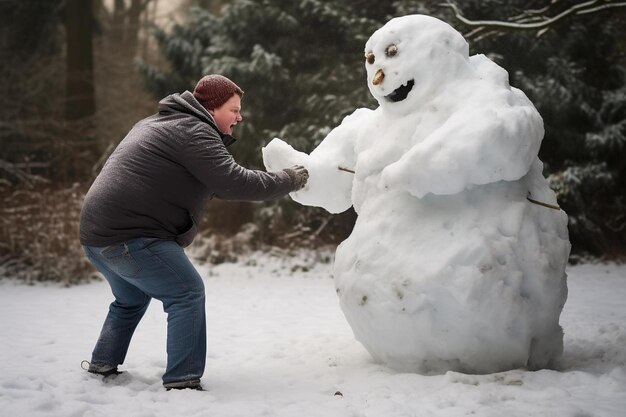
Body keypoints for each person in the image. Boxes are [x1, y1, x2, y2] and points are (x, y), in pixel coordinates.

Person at [79, 74, 309, 391]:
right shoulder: (194, 131)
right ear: (211, 108)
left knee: (130, 299)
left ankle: (102, 364)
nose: (240, 117)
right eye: (234, 109)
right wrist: (291, 178)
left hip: (96, 237)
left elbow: (213, 181)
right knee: (186, 292)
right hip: (129, 236)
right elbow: (235, 182)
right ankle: (182, 380)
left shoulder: (159, 124)